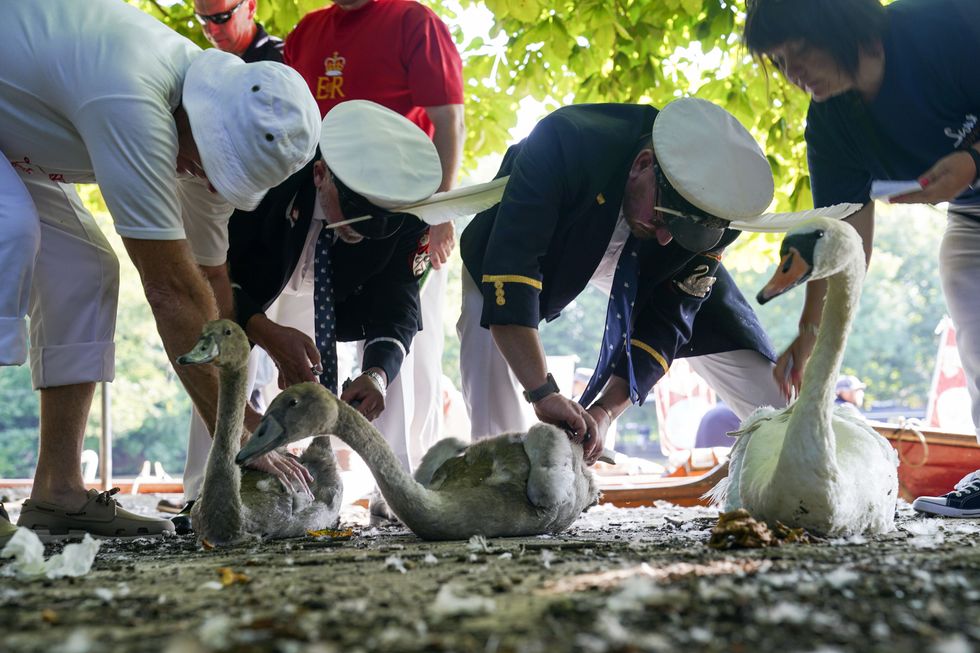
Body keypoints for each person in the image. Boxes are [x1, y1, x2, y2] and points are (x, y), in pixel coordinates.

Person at [0, 0, 320, 540]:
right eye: (211, 164)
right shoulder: (132, 98)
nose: (207, 180)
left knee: (86, 268)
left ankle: (59, 492)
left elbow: (210, 286)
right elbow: (171, 291)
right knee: (9, 232)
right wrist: (237, 434)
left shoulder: (209, 124)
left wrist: (243, 413)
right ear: (203, 121)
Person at [458, 98, 805, 464]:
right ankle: (499, 475)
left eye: (682, 232)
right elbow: (512, 271)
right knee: (487, 321)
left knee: (780, 407)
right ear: (643, 165)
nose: (666, 239)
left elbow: (667, 322)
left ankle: (803, 464)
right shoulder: (565, 141)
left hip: (648, 268)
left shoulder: (711, 219)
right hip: (544, 238)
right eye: (665, 219)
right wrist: (543, 392)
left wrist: (605, 412)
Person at [743, 0, 980, 517]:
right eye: (779, 64)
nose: (793, 74)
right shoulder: (830, 122)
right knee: (968, 295)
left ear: (836, 23)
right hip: (973, 214)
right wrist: (809, 332)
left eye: (798, 52)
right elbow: (842, 234)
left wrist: (974, 159)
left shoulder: (946, 28)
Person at [283, 0, 465, 472]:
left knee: (409, 339)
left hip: (404, 208)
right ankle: (300, 461)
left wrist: (441, 208)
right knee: (294, 330)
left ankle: (402, 471)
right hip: (319, 203)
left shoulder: (413, 21)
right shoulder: (306, 31)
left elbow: (449, 119)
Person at [176, 0, 288, 534]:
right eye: (204, 19)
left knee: (234, 355)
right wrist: (240, 420)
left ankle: (238, 464)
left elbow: (215, 275)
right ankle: (211, 479)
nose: (212, 28)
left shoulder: (276, 84)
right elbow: (171, 288)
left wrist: (246, 329)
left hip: (258, 266)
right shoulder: (174, 135)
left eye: (221, 16)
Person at [193, 0, 284, 62]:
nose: (212, 31)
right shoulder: (206, 66)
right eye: (202, 19)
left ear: (250, 7)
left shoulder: (286, 59)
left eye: (221, 17)